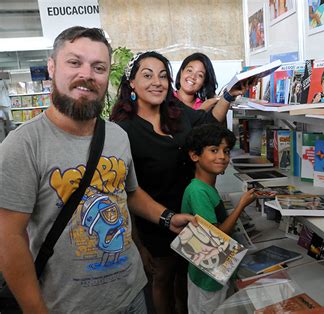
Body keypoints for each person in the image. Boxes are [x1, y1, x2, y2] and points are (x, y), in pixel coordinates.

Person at [0, 26, 194, 313]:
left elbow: (129, 192)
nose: (87, 75)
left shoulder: (117, 136)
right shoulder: (23, 144)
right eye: (74, 62)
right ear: (52, 67)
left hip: (132, 294)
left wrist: (167, 218)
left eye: (99, 67)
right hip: (67, 305)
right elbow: (8, 238)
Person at [110, 51, 251, 314]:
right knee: (162, 277)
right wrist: (137, 243)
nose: (157, 82)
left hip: (193, 213)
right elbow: (124, 191)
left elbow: (210, 121)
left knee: (192, 279)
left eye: (163, 75)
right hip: (155, 220)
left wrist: (230, 96)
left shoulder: (177, 113)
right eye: (147, 75)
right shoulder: (123, 130)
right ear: (132, 83)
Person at [181, 123, 256, 314]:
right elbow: (216, 236)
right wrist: (241, 205)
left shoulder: (206, 187)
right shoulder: (198, 191)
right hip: (207, 278)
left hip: (217, 270)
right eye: (214, 150)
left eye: (226, 151)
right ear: (194, 155)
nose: (222, 156)